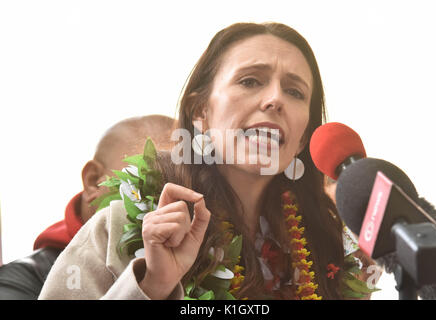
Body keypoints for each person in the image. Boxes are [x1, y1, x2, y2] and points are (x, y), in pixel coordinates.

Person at [39, 22, 373, 300]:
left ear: (302, 138)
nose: (274, 99)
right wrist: (153, 284)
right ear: (201, 112)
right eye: (250, 80)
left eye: (295, 92)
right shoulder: (128, 224)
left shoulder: (327, 247)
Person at [0, 115, 176, 299]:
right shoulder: (21, 283)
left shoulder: (197, 270)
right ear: (93, 181)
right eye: (150, 184)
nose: (167, 203)